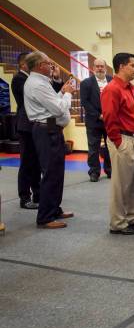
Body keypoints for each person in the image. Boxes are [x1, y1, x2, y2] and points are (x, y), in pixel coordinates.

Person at [23, 52, 75, 228]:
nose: (52, 66)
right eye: (48, 63)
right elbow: (58, 109)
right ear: (39, 66)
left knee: (57, 172)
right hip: (46, 131)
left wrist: (61, 91)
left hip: (51, 128)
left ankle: (54, 209)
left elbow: (53, 104)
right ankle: (45, 217)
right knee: (50, 173)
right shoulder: (37, 84)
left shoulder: (42, 82)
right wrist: (67, 94)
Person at [101, 53, 134, 235]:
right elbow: (109, 118)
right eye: (133, 65)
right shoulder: (112, 89)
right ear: (121, 66)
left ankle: (133, 218)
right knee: (121, 185)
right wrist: (118, 142)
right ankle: (118, 223)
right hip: (124, 139)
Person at [11, 51, 40, 210]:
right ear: (23, 64)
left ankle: (38, 194)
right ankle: (24, 197)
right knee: (27, 162)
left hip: (35, 124)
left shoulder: (31, 79)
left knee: (37, 162)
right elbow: (31, 97)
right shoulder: (19, 79)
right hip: (25, 125)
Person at [80, 58, 112, 182]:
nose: (99, 68)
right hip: (94, 121)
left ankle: (110, 170)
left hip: (110, 121)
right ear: (93, 68)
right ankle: (94, 172)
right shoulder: (86, 83)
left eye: (101, 66)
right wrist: (98, 115)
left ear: (105, 67)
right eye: (97, 66)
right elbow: (85, 103)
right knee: (93, 148)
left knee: (110, 147)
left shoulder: (112, 81)